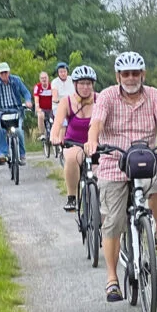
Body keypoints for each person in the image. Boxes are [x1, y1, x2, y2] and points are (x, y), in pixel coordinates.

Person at [84, 51, 157, 302]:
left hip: (144, 158)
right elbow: (96, 122)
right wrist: (93, 140)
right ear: (118, 76)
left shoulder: (153, 95)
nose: (131, 78)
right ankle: (112, 278)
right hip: (113, 160)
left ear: (143, 74)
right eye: (126, 74)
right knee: (114, 221)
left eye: (135, 73)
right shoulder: (107, 96)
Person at [51, 65, 98, 212]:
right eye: (82, 83)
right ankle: (72, 197)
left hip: (97, 144)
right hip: (75, 143)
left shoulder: (100, 99)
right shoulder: (67, 102)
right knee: (71, 157)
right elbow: (58, 122)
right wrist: (54, 136)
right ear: (75, 85)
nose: (85, 87)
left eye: (88, 83)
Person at [0, 62, 34, 165]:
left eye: (6, 72)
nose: (4, 74)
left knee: (18, 131)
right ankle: (2, 154)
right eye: (2, 73)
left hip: (16, 110)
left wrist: (28, 101)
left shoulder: (16, 80)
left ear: (9, 72)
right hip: (1, 112)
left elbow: (25, 92)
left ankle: (22, 155)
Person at [32, 71, 55, 141]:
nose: (44, 80)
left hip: (51, 108)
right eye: (42, 78)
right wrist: (38, 108)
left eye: (45, 78)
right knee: (40, 116)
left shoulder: (52, 86)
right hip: (41, 108)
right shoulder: (37, 87)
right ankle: (42, 134)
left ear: (48, 78)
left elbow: (55, 97)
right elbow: (36, 99)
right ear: (40, 79)